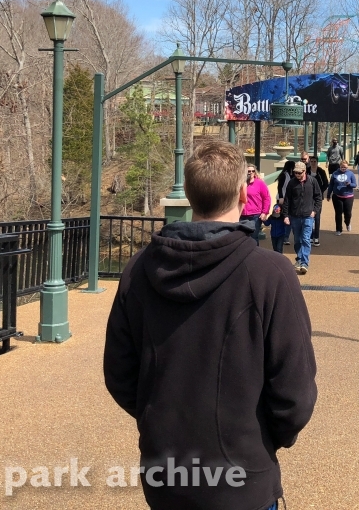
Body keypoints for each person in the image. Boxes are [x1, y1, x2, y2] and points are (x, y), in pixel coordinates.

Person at [103, 140, 317, 510]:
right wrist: (261, 439)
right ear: (241, 193)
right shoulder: (271, 274)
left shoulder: (139, 269)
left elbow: (120, 372)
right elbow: (295, 391)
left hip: (166, 473)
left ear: (187, 194)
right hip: (243, 476)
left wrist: (160, 422)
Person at [282, 161, 322, 275]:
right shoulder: (291, 183)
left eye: (299, 173)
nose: (297, 175)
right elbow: (287, 200)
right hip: (295, 216)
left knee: (305, 239)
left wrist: (314, 211)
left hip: (308, 216)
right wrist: (285, 215)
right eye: (296, 172)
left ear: (305, 171)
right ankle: (299, 258)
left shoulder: (312, 181)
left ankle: (304, 262)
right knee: (297, 240)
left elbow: (318, 197)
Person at [240, 164, 271, 241]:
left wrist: (264, 212)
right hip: (242, 215)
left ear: (255, 172)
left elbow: (266, 198)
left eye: (252, 171)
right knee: (242, 238)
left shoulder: (260, 183)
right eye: (248, 171)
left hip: (255, 216)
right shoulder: (240, 183)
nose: (250, 173)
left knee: (253, 237)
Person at [327, 160, 358, 235]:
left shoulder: (350, 174)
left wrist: (349, 184)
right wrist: (328, 194)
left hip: (348, 196)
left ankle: (347, 223)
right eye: (342, 167)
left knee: (348, 213)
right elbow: (331, 185)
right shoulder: (335, 174)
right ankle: (338, 229)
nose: (343, 168)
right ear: (339, 166)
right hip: (337, 196)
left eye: (345, 167)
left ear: (347, 167)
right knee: (338, 213)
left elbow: (355, 185)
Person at [307, 156, 329, 247]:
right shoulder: (307, 171)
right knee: (309, 217)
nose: (313, 163)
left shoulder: (321, 172)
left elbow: (326, 183)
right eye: (311, 161)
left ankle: (316, 237)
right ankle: (310, 237)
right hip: (308, 198)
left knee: (317, 217)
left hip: (318, 198)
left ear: (317, 162)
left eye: (314, 161)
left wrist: (320, 192)